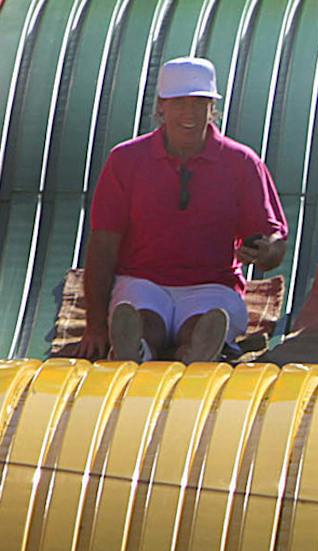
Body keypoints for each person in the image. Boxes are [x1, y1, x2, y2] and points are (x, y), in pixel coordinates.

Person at [79, 57, 288, 363]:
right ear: (161, 106)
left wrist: (266, 252)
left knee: (202, 325)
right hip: (142, 281)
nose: (189, 113)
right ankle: (137, 347)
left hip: (214, 285)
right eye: (179, 102)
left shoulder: (242, 163)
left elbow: (274, 240)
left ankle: (196, 348)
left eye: (199, 103)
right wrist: (94, 326)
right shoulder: (125, 160)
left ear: (212, 109)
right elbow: (102, 245)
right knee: (144, 322)